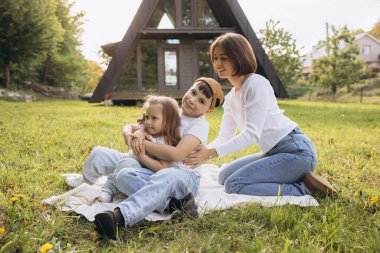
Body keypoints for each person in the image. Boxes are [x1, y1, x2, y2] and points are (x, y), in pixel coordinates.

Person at [184, 32, 336, 196]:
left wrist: (210, 153)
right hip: (272, 152)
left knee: (235, 184)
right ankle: (291, 176)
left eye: (224, 58)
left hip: (296, 152)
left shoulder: (255, 84)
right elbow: (224, 136)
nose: (218, 63)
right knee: (222, 176)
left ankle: (305, 188)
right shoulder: (231, 98)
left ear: (239, 56)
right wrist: (200, 152)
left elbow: (251, 134)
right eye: (215, 58)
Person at [94, 77, 224, 240]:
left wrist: (143, 144)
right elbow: (133, 127)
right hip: (157, 171)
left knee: (166, 175)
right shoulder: (172, 112)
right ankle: (174, 205)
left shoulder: (199, 125)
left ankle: (118, 217)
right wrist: (134, 134)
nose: (192, 100)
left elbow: (176, 154)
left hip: (185, 177)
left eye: (201, 101)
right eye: (193, 92)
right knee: (124, 175)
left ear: (208, 110)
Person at [96, 95, 181, 202]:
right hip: (129, 158)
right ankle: (86, 180)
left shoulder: (168, 141)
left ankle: (109, 187)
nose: (148, 122)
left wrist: (141, 156)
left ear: (168, 121)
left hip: (143, 171)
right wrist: (129, 134)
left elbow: (162, 167)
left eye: (154, 118)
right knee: (98, 152)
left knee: (127, 165)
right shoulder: (146, 128)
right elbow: (128, 127)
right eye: (147, 117)